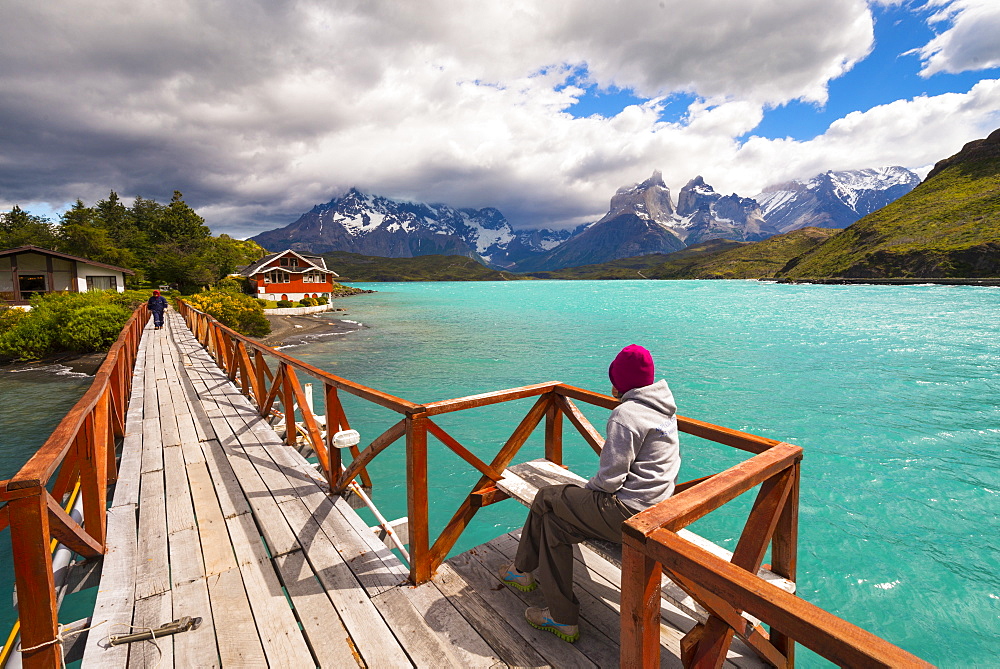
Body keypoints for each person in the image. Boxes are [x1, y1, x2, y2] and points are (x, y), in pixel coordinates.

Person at [499, 344, 681, 642]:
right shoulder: (663, 409)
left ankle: (522, 572)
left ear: (621, 382)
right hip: (657, 507)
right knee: (555, 525)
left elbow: (609, 480)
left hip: (629, 511)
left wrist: (581, 496)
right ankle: (561, 617)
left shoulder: (626, 415)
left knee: (547, 497)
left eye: (614, 377)